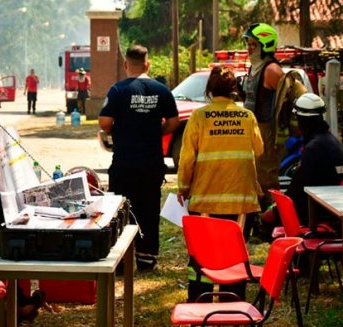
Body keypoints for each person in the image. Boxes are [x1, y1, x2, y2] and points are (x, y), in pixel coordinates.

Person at [177, 66, 264, 301]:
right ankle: (233, 302)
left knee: (202, 254)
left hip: (206, 199)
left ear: (209, 90)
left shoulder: (199, 117)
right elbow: (259, 149)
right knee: (235, 254)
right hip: (241, 201)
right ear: (234, 89)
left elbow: (187, 158)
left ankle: (201, 300)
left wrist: (183, 187)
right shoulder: (247, 116)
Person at [99, 44, 179, 272]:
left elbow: (104, 122)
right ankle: (146, 259)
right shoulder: (162, 90)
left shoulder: (118, 90)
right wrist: (154, 131)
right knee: (149, 210)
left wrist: (121, 130)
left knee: (121, 210)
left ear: (126, 65)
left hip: (124, 163)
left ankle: (121, 262)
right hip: (152, 164)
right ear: (148, 64)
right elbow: (173, 123)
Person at [241, 23, 284, 234]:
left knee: (266, 180)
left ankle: (271, 225)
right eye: (248, 44)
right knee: (253, 179)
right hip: (251, 129)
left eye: (253, 45)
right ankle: (257, 223)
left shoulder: (272, 70)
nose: (249, 49)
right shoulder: (254, 68)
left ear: (265, 45)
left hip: (266, 130)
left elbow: (290, 99)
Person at [285, 93, 343, 224]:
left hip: (319, 215)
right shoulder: (334, 142)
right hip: (334, 211)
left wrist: (275, 212)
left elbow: (297, 189)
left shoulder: (314, 148)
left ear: (302, 120)